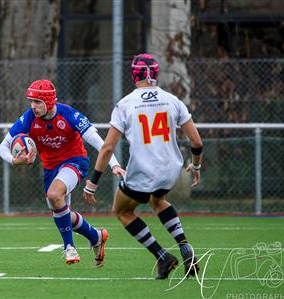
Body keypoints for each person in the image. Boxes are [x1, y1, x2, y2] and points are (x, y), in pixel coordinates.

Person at [83, 53, 203, 279]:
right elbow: (197, 142)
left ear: (134, 74)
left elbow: (107, 148)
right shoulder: (172, 100)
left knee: (122, 210)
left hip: (143, 171)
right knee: (158, 201)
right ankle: (185, 248)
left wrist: (93, 182)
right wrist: (196, 166)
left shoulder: (126, 104)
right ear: (155, 74)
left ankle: (162, 256)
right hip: (170, 170)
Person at [0, 79, 125, 266]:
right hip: (50, 168)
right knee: (61, 210)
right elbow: (3, 147)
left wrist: (114, 164)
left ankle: (69, 248)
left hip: (75, 162)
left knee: (54, 195)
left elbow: (99, 143)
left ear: (49, 102)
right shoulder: (28, 118)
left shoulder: (69, 115)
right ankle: (96, 236)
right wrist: (14, 160)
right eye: (31, 101)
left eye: (38, 102)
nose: (33, 106)